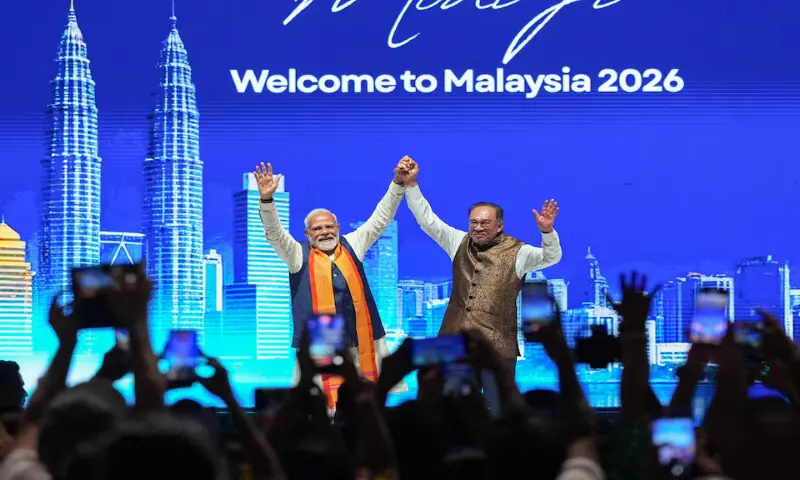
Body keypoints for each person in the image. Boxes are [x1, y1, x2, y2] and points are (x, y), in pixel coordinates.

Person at [402, 158, 562, 414]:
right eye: (473, 222)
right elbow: (427, 221)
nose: (477, 227)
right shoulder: (457, 241)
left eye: (485, 223)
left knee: (500, 410)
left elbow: (551, 258)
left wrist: (547, 232)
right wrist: (411, 185)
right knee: (453, 411)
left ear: (500, 226)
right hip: (453, 345)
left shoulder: (518, 252)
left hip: (497, 347)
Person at [255, 159, 410, 409]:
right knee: (323, 410)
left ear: (337, 228)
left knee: (371, 405)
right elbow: (274, 233)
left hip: (364, 343)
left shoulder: (354, 244)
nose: (325, 232)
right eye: (317, 228)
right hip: (320, 349)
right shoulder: (297, 255)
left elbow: (381, 218)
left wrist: (398, 184)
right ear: (307, 234)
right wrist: (266, 201)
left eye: (329, 226)